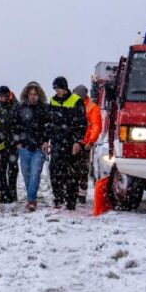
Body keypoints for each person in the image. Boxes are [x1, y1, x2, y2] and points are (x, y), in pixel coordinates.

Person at [47, 77, 87, 211]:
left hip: (71, 142)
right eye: (55, 89)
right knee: (54, 170)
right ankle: (58, 197)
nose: (56, 91)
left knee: (72, 173)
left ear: (64, 88)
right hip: (57, 141)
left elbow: (82, 124)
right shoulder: (53, 101)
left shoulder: (76, 101)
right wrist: (47, 140)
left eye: (58, 88)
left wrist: (77, 141)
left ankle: (71, 201)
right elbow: (50, 122)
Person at [10, 82, 51, 211]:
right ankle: (31, 196)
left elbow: (48, 126)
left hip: (39, 148)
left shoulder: (44, 109)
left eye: (35, 94)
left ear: (39, 95)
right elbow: (14, 125)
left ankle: (31, 200)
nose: (33, 97)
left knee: (35, 175)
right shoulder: (20, 108)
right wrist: (17, 142)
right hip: (24, 148)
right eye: (31, 94)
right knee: (26, 175)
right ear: (27, 95)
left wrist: (45, 140)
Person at [72, 85, 103, 204]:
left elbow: (96, 126)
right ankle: (76, 192)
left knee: (82, 169)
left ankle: (81, 194)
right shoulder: (81, 105)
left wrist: (91, 141)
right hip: (76, 142)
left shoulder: (92, 108)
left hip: (85, 143)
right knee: (76, 169)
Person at [0, 86, 20, 204]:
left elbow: (19, 124)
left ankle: (13, 194)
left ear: (8, 96)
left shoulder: (16, 107)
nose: (2, 99)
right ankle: (3, 194)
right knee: (1, 170)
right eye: (0, 97)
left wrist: (18, 140)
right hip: (0, 145)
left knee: (13, 169)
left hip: (13, 143)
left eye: (4, 96)